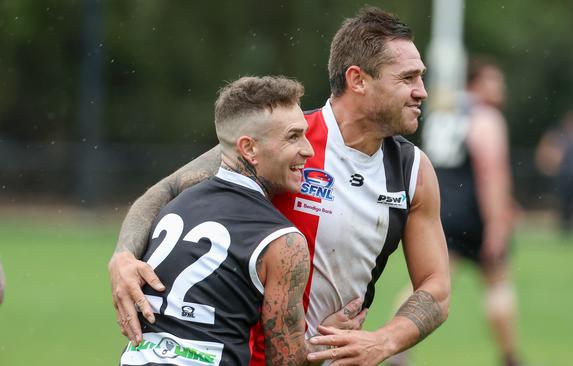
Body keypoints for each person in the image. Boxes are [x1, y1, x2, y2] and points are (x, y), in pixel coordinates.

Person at [109, 7, 451, 366]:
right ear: (358, 79)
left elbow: (436, 288)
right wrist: (123, 256)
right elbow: (164, 192)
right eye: (408, 78)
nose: (422, 92)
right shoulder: (281, 142)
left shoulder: (413, 171)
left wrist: (382, 341)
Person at [120, 75, 315, 365]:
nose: (309, 149)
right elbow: (287, 361)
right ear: (248, 149)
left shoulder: (173, 207)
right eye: (293, 136)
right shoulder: (282, 241)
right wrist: (332, 344)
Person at [421, 57, 521, 366]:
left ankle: (399, 353)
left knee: (428, 284)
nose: (500, 88)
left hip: (441, 209)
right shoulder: (486, 117)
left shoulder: (444, 114)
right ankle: (510, 357)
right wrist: (496, 223)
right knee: (497, 282)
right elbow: (491, 170)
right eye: (494, 81)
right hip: (476, 213)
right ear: (473, 84)